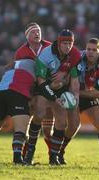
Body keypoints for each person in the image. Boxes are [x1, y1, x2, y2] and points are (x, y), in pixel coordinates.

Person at [0, 22, 51, 165]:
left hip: (1, 90)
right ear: (26, 36)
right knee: (21, 126)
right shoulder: (25, 55)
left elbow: (12, 68)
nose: (37, 33)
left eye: (38, 30)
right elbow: (39, 79)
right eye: (33, 31)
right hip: (17, 91)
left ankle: (23, 156)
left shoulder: (47, 48)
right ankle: (18, 159)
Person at [24, 29, 81, 165]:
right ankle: (29, 152)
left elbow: (74, 80)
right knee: (39, 114)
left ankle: (53, 157)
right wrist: (55, 97)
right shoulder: (45, 55)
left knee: (62, 122)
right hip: (44, 87)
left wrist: (76, 96)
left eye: (70, 43)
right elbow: (41, 82)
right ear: (59, 43)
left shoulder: (74, 54)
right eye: (65, 43)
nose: (67, 46)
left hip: (61, 88)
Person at [75, 38, 99, 167]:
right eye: (88, 49)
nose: (90, 52)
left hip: (83, 94)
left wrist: (79, 93)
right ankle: (58, 153)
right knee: (72, 127)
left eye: (94, 50)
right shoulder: (77, 58)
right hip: (71, 94)